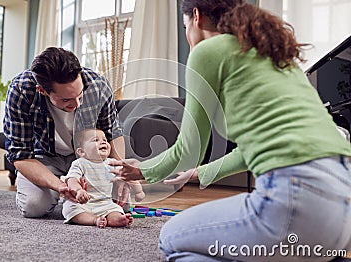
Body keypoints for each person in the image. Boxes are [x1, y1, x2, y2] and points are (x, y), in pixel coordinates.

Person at [110, 0, 351, 261]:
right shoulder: (274, 55)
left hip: (295, 200)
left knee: (171, 237)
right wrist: (197, 174)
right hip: (343, 206)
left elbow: (188, 150)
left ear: (197, 17)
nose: (187, 35)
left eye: (184, 26)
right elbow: (250, 151)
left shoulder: (207, 51)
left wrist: (140, 170)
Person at [4, 47, 130, 218]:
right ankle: (64, 196)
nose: (77, 104)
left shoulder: (98, 85)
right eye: (66, 100)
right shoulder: (21, 91)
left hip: (88, 157)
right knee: (34, 207)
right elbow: (20, 155)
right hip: (43, 158)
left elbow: (112, 133)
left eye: (80, 95)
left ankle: (78, 197)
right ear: (43, 91)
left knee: (124, 203)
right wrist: (61, 186)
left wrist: (120, 174)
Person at [62, 128, 145, 228]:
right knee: (70, 209)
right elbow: (72, 179)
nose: (103, 142)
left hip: (105, 203)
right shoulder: (80, 163)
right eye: (96, 140)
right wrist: (78, 190)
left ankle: (117, 219)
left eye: (105, 140)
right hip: (83, 203)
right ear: (81, 151)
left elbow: (126, 176)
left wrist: (138, 190)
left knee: (115, 209)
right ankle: (94, 220)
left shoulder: (112, 163)